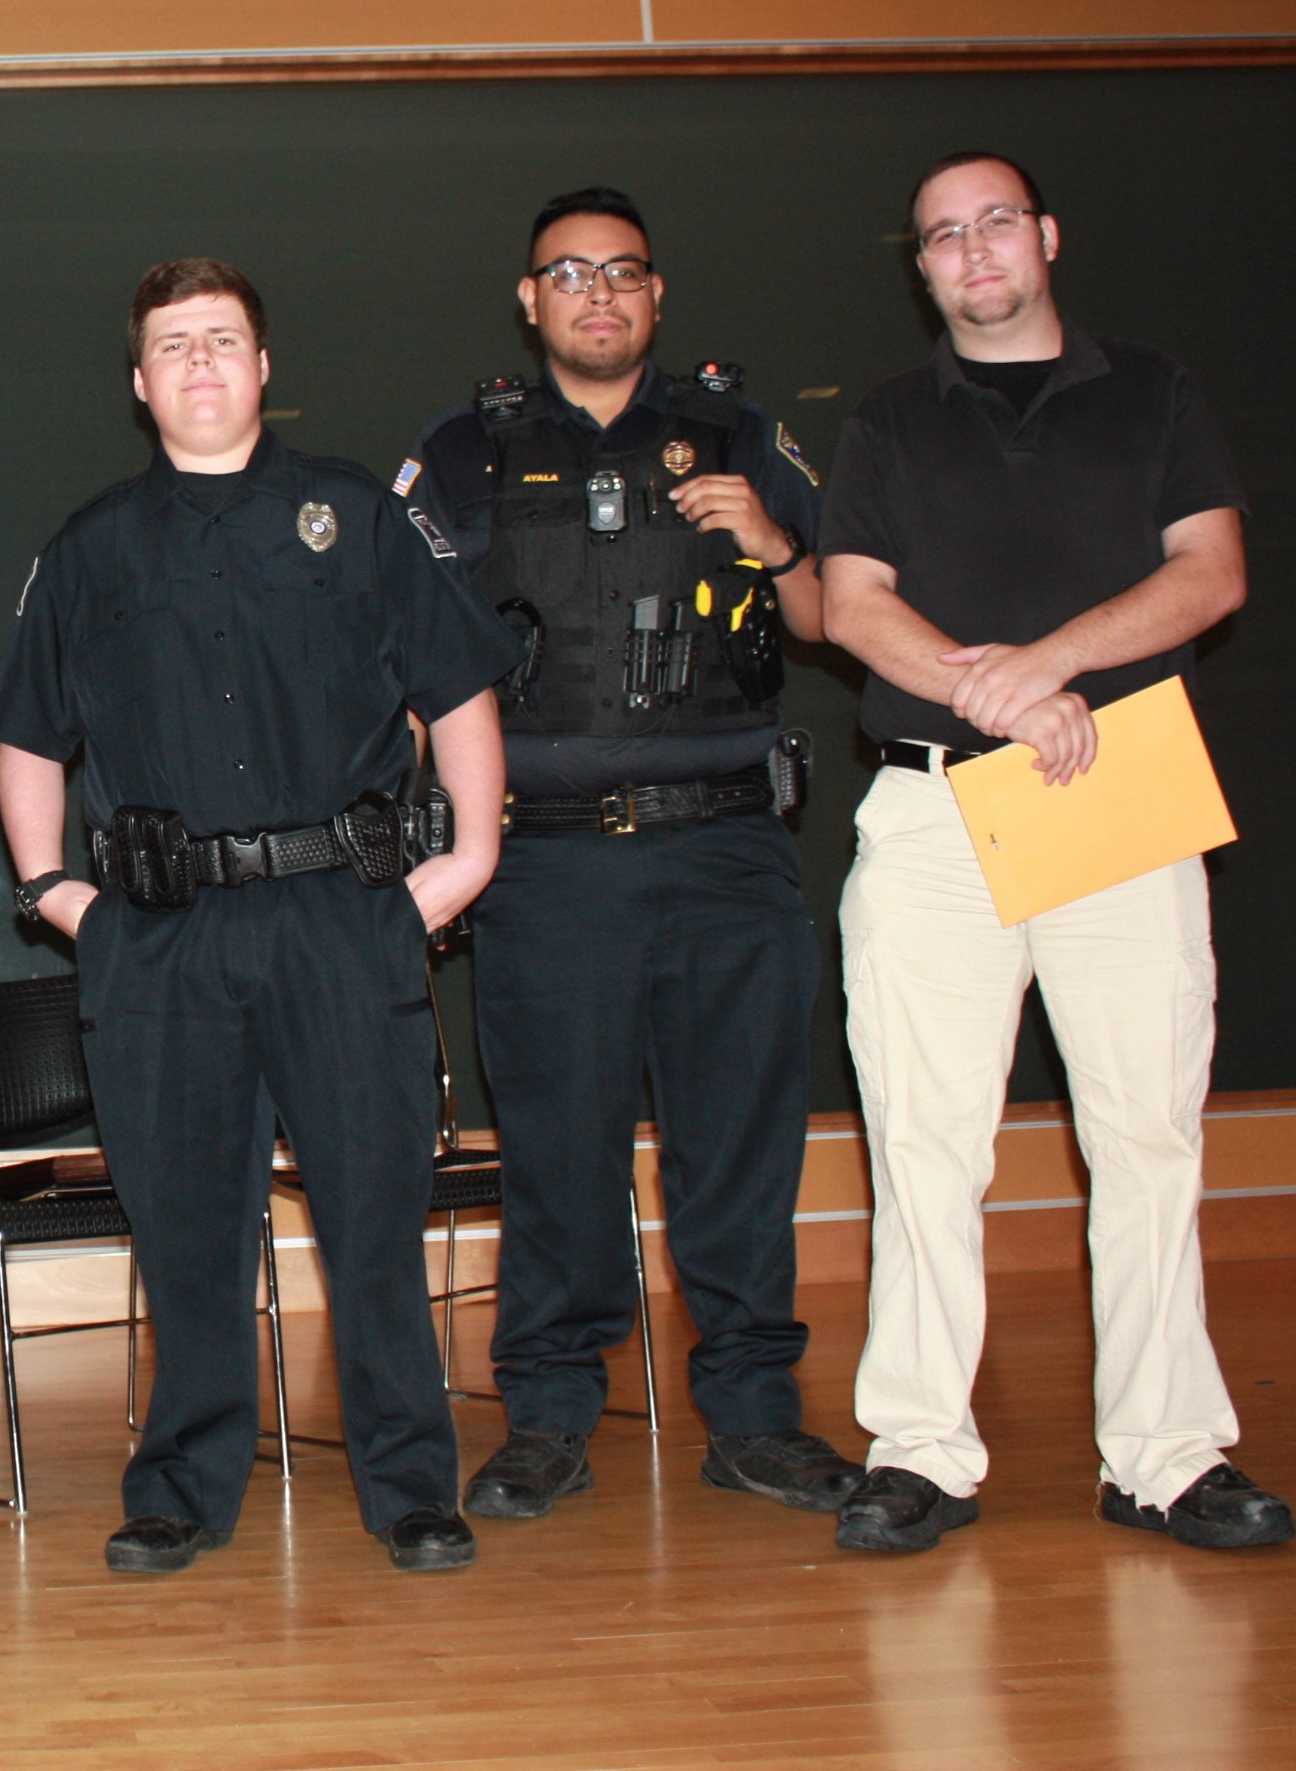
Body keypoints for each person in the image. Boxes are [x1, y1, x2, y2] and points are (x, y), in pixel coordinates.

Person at [0, 257, 516, 1576]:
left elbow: (457, 694)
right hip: (159, 937)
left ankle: (408, 1487)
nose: (202, 365)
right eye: (173, 346)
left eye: (223, 340)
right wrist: (58, 892)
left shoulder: (358, 516)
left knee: (373, 1221)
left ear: (264, 368)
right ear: (137, 382)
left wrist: (466, 860)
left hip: (343, 920)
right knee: (183, 1227)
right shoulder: (93, 546)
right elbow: (25, 735)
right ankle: (180, 1487)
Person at [817, 152, 1290, 1554]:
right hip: (928, 809)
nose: (970, 254)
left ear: (1044, 239)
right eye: (941, 237)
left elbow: (1209, 574)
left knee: (1144, 1135)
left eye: (993, 226)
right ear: (920, 267)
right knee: (920, 1145)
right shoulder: (886, 423)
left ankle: (1164, 1456)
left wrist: (1049, 670)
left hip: (1118, 794)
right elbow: (850, 604)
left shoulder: (1152, 391)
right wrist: (992, 698)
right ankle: (918, 1452)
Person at [399, 187, 863, 1526]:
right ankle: (546, 1417)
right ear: (526, 299)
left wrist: (773, 545)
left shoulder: (739, 435)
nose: (595, 295)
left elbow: (840, 617)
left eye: (620, 274)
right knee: (553, 1152)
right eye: (566, 274)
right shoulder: (458, 454)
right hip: (541, 873)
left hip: (723, 855)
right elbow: (404, 666)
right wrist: (430, 851)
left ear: (655, 296)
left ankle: (754, 1418)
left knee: (738, 1151)